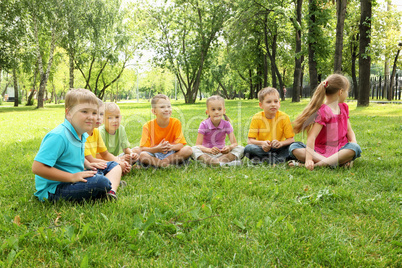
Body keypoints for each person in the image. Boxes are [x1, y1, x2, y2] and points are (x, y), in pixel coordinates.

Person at [32, 88, 123, 202]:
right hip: (56, 188)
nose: (91, 116)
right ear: (69, 113)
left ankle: (110, 192)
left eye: (94, 113)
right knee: (101, 182)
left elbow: (76, 155)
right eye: (84, 111)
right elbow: (37, 167)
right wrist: (72, 177)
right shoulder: (59, 136)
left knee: (114, 165)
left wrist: (88, 165)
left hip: (77, 176)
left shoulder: (81, 133)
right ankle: (106, 185)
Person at [289, 74, 362, 170]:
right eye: (347, 91)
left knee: (354, 148)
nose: (347, 94)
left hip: (340, 150)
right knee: (294, 147)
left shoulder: (343, 108)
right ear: (341, 92)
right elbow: (312, 136)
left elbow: (349, 131)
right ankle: (335, 162)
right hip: (321, 151)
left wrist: (353, 143)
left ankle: (318, 165)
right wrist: (308, 159)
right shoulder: (323, 111)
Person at [244, 87, 295, 164]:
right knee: (248, 149)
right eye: (268, 102)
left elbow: (291, 140)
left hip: (279, 148)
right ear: (261, 105)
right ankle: (277, 160)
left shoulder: (284, 117)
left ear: (279, 104)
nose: (273, 104)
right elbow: (250, 141)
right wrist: (262, 143)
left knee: (293, 147)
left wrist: (281, 143)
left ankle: (265, 160)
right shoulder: (257, 117)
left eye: (276, 101)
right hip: (263, 148)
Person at [139, 94, 192, 167]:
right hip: (154, 153)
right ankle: (163, 164)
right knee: (142, 155)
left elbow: (180, 145)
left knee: (188, 149)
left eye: (169, 106)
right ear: (154, 111)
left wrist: (170, 147)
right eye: (162, 107)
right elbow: (143, 148)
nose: (167, 109)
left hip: (171, 153)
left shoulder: (176, 122)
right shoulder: (147, 126)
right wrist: (157, 149)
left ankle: (162, 163)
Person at [192, 95, 244, 166]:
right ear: (207, 112)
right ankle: (224, 164)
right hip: (207, 154)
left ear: (224, 111)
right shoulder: (204, 124)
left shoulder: (227, 124)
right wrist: (209, 150)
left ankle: (214, 163)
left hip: (222, 154)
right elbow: (198, 145)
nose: (216, 112)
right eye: (213, 109)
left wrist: (229, 147)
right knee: (193, 149)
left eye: (219, 109)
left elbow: (234, 144)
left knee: (241, 148)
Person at [85, 99, 131, 175]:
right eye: (94, 113)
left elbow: (105, 154)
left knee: (118, 167)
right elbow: (92, 160)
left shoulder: (95, 131)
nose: (99, 117)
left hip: (96, 164)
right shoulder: (83, 134)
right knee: (104, 177)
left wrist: (119, 162)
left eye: (101, 114)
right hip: (87, 167)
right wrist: (117, 163)